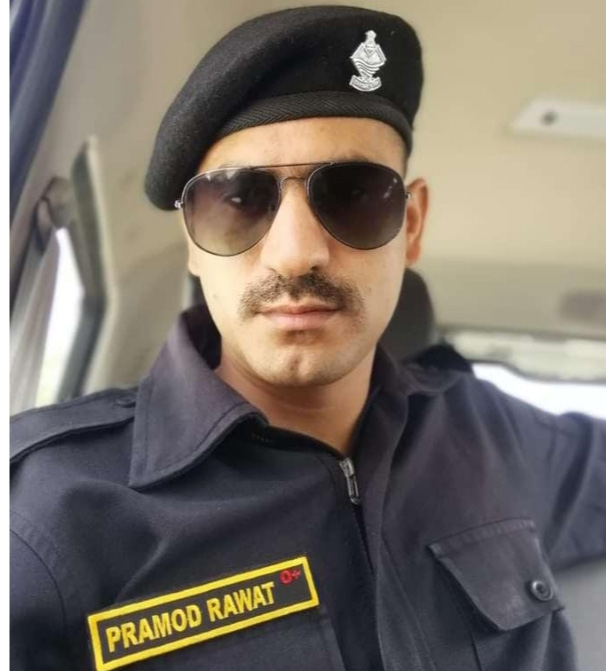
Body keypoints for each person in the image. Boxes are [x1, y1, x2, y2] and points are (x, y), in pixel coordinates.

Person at [10, 6, 606, 671]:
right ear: (193, 244)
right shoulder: (45, 510)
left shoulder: (491, 434)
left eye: (353, 194)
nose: (296, 254)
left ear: (411, 226)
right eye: (240, 200)